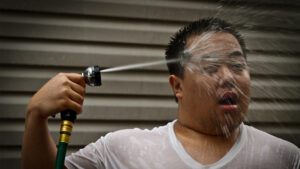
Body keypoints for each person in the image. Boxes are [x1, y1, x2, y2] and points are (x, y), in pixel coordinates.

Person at [22, 18, 300, 169]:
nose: (228, 77)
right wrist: (36, 115)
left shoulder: (284, 157)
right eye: (211, 67)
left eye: (238, 65)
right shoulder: (123, 149)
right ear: (177, 86)